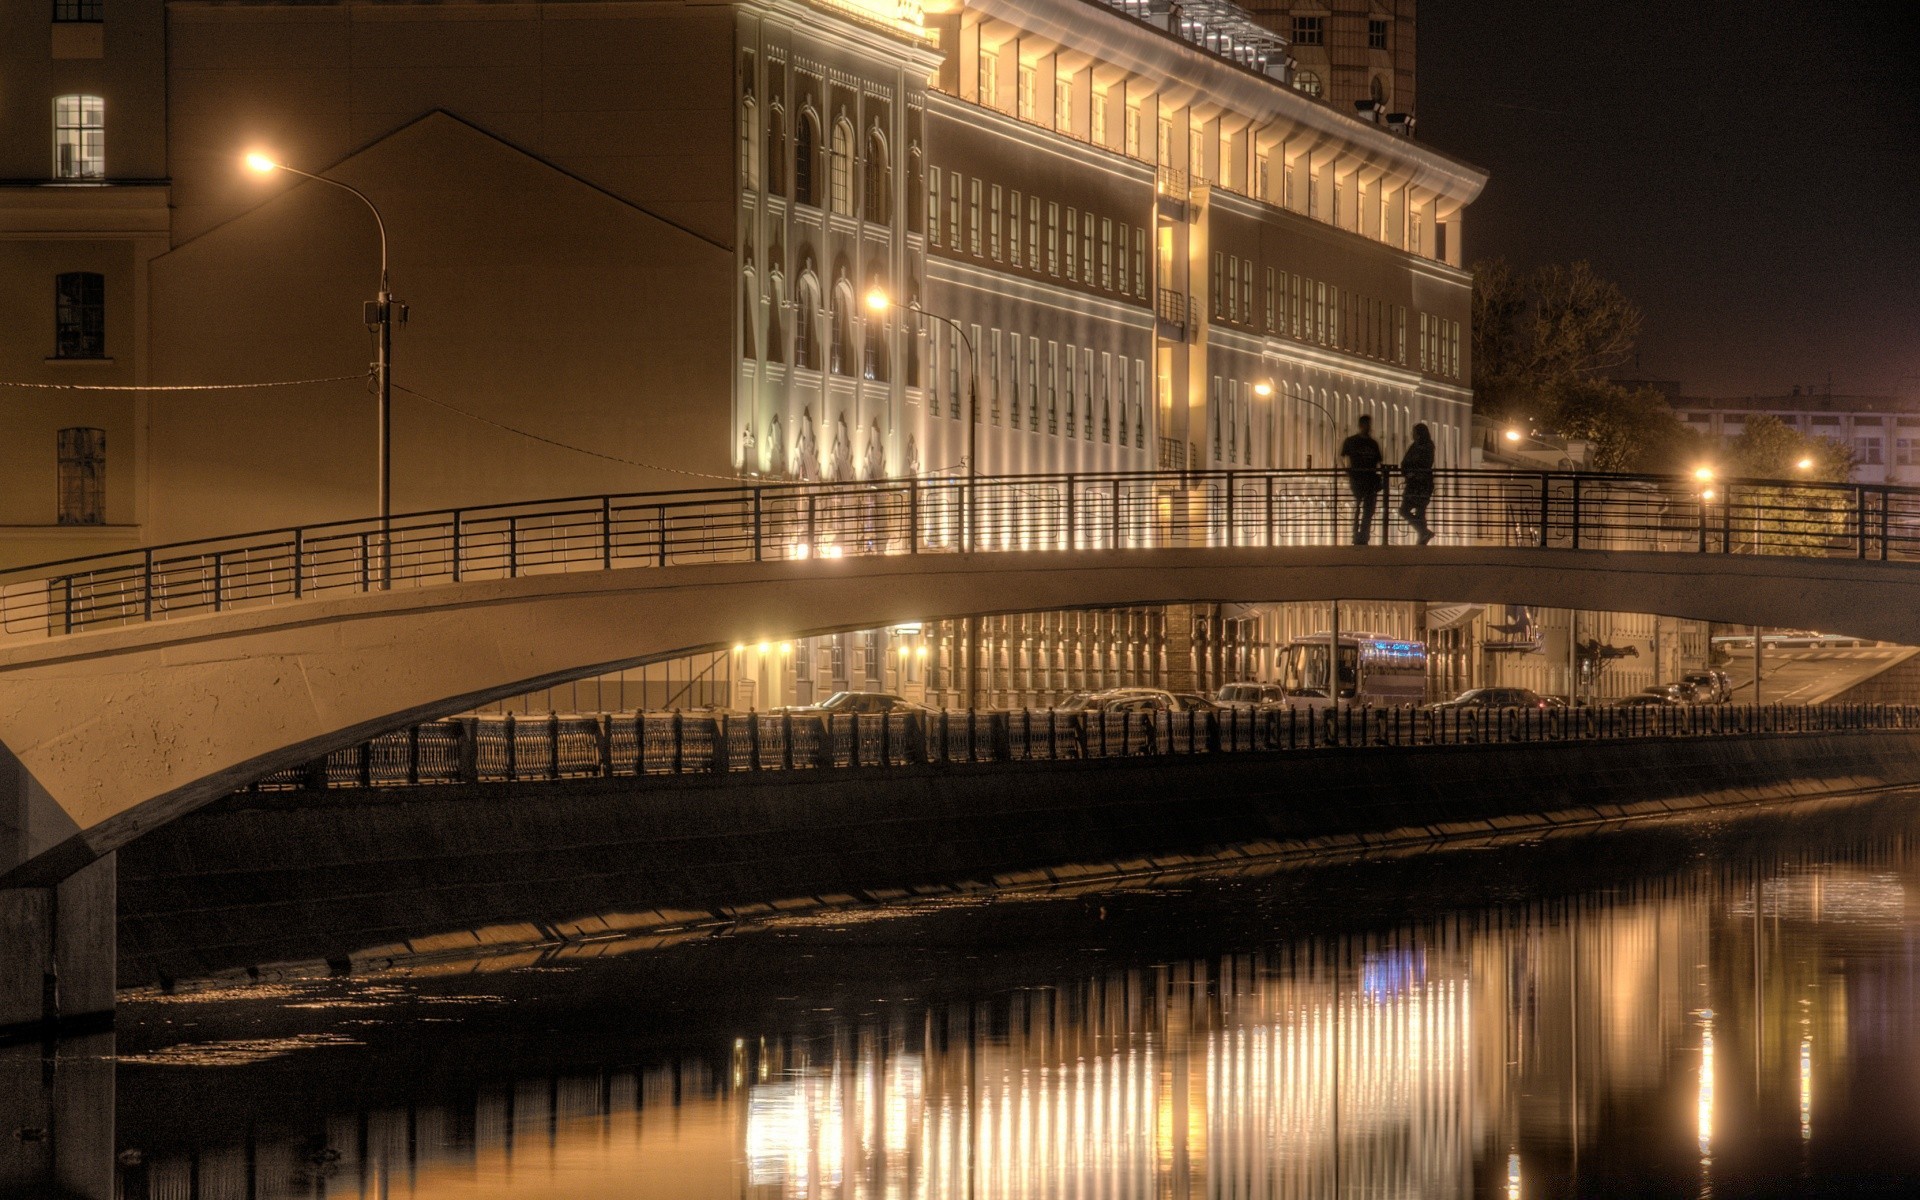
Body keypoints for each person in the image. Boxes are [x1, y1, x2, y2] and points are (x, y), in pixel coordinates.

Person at [1338, 414, 1384, 545]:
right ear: (1361, 426)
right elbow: (1341, 457)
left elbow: (1379, 462)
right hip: (1359, 479)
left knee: (1367, 509)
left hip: (1369, 480)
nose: (1368, 427)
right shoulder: (1354, 441)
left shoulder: (1370, 443)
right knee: (1360, 507)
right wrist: (1347, 471)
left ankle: (1362, 535)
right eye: (1366, 425)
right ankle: (1358, 535)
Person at [1399, 422, 1437, 544]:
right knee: (1417, 511)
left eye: (1414, 432)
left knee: (1409, 510)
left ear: (1419, 434)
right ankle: (1423, 533)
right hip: (1419, 484)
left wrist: (1411, 472)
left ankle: (1423, 534)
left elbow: (1422, 464)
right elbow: (1405, 463)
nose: (1412, 435)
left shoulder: (1424, 447)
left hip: (1420, 484)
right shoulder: (1419, 446)